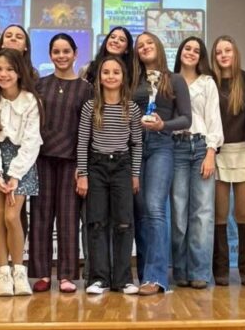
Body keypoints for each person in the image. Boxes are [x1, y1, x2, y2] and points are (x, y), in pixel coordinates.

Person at [0, 48, 42, 297]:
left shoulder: (30, 100)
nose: (3, 74)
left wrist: (14, 175)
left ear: (19, 72)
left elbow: (32, 140)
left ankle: (19, 270)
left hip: (22, 162)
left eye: (9, 69)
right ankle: (2, 272)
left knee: (12, 217)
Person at [76, 56, 142, 295]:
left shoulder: (131, 108)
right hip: (97, 166)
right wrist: (83, 173)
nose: (111, 76)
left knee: (124, 222)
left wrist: (134, 174)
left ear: (123, 77)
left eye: (116, 72)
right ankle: (99, 278)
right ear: (100, 77)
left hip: (122, 167)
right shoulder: (90, 107)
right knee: (96, 222)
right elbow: (83, 142)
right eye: (106, 72)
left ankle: (123, 279)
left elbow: (136, 143)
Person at [30, 33, 91, 293]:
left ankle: (67, 275)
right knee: (41, 217)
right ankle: (42, 273)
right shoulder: (40, 85)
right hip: (41, 158)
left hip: (71, 160)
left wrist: (82, 165)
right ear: (50, 55)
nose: (61, 56)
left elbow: (88, 129)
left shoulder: (87, 88)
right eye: (56, 51)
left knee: (68, 218)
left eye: (66, 51)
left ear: (76, 54)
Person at [132, 31, 191, 295]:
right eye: (140, 45)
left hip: (161, 146)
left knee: (155, 208)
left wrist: (163, 125)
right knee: (140, 211)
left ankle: (156, 277)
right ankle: (145, 273)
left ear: (158, 47)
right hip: (132, 147)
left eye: (149, 43)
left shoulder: (175, 79)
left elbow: (186, 119)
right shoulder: (132, 80)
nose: (144, 47)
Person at [171, 37, 223, 289]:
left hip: (201, 147)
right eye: (187, 48)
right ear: (180, 52)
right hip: (176, 148)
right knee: (179, 215)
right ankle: (180, 270)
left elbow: (214, 119)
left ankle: (200, 272)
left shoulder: (207, 83)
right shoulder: (169, 81)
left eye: (196, 50)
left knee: (202, 214)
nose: (191, 53)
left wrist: (211, 152)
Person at [210, 35, 245, 286]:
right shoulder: (209, 82)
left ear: (235, 52)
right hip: (217, 153)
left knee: (243, 213)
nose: (223, 55)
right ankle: (219, 269)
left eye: (227, 50)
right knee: (219, 215)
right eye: (218, 52)